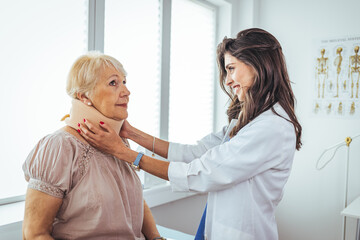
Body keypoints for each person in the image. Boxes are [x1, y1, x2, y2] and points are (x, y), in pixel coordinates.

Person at [79, 28, 302, 240]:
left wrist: (123, 153)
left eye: (231, 68)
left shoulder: (272, 128)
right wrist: (133, 134)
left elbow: (202, 173)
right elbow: (197, 153)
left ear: (259, 65)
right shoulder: (248, 120)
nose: (227, 80)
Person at [22, 52, 165, 240]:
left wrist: (156, 238)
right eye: (113, 83)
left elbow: (133, 200)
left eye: (124, 82)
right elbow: (34, 233)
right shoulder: (60, 147)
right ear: (84, 97)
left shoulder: (118, 143)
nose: (126, 91)